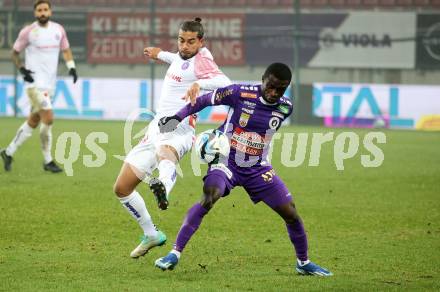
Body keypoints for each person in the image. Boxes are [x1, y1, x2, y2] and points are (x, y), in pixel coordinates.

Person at [154, 63, 333, 276]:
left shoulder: (286, 107)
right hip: (226, 159)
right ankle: (174, 253)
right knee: (210, 196)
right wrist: (176, 118)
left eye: (281, 89)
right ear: (263, 79)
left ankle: (303, 263)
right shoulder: (239, 92)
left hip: (257, 167)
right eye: (271, 86)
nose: (274, 92)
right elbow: (203, 100)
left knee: (291, 212)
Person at [113, 18, 231, 259]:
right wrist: (161, 54)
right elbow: (178, 60)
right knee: (122, 188)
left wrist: (201, 83)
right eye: (181, 40)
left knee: (165, 152)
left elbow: (226, 83)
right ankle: (151, 234)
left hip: (180, 128)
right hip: (156, 127)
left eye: (190, 42)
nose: (185, 46)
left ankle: (163, 189)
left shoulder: (203, 60)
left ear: (201, 42)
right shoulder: (182, 56)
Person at [1, 0, 78, 173]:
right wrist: (22, 69)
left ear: (50, 12)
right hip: (34, 84)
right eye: (39, 10)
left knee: (34, 120)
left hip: (50, 84)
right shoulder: (28, 32)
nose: (43, 13)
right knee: (48, 118)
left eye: (45, 9)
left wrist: (71, 67)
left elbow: (66, 50)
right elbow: (14, 53)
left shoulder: (58, 30)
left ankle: (8, 151)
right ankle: (48, 160)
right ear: (35, 13)